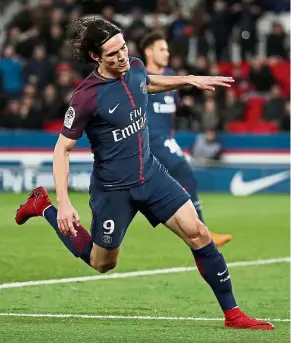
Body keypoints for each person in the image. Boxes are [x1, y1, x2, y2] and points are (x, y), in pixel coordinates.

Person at [15, 17, 273, 330]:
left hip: (151, 176)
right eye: (113, 54)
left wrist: (188, 79)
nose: (122, 56)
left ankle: (233, 315)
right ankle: (43, 206)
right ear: (96, 57)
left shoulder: (134, 66)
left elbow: (147, 82)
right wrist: (64, 203)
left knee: (200, 233)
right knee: (102, 262)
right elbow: (61, 151)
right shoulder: (86, 97)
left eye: (123, 48)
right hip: (113, 190)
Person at [140, 31, 231, 247]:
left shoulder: (171, 75)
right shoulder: (140, 77)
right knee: (185, 172)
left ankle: (195, 230)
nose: (167, 53)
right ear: (148, 51)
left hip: (166, 138)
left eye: (168, 49)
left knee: (168, 186)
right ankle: (202, 232)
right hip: (150, 139)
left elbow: (175, 109)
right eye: (162, 49)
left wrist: (187, 109)